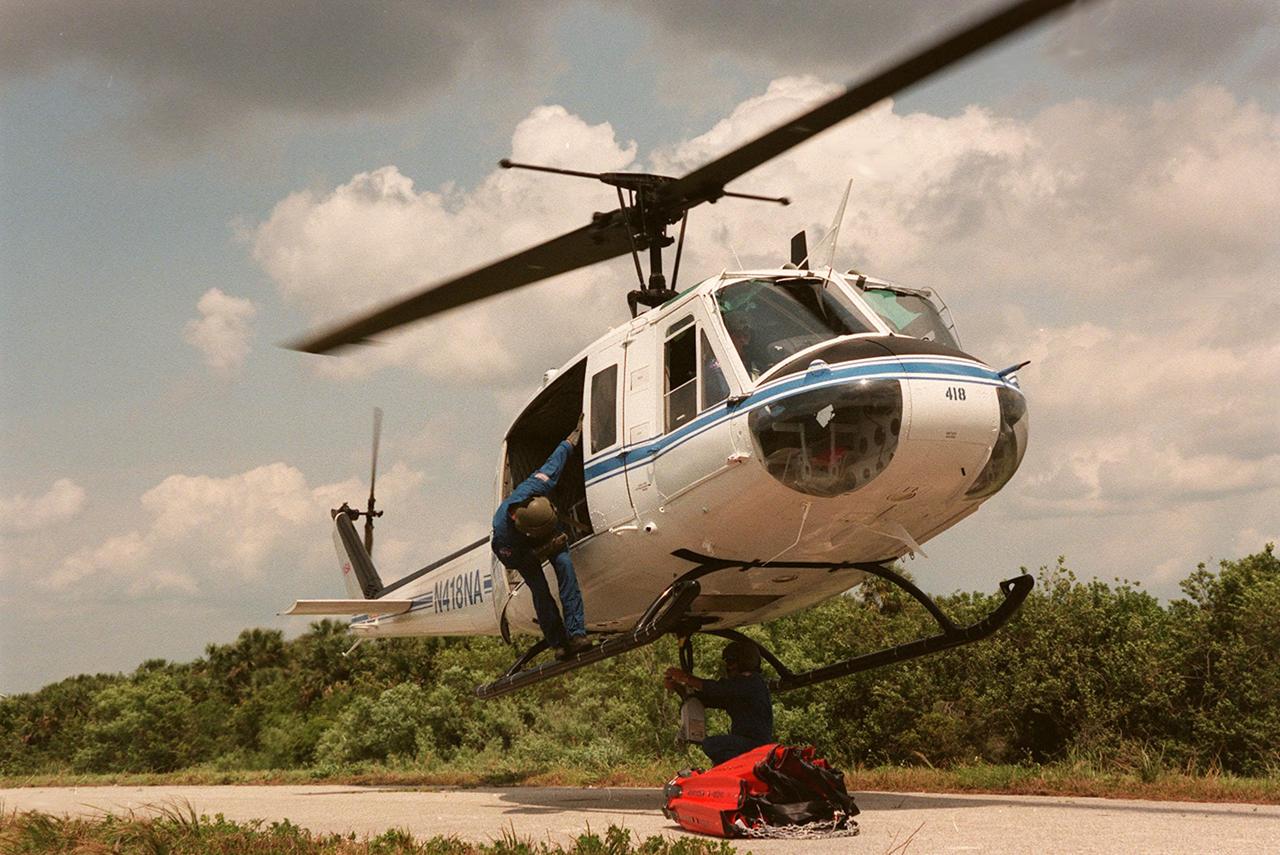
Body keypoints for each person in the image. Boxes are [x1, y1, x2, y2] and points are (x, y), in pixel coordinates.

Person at [491, 416, 591, 660]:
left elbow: (554, 462)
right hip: (524, 551)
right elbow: (513, 563)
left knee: (566, 570)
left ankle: (577, 634)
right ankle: (558, 642)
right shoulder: (504, 536)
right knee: (540, 590)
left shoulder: (535, 487)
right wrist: (537, 552)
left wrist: (572, 438)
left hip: (549, 533)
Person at [664, 639, 774, 766]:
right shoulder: (737, 691)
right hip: (747, 743)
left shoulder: (751, 682)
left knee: (712, 744)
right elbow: (706, 698)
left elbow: (717, 689)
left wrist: (686, 678)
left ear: (743, 661)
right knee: (718, 751)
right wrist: (677, 687)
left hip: (754, 744)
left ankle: (736, 770)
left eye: (731, 661)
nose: (728, 666)